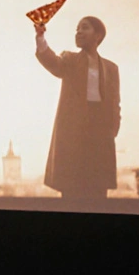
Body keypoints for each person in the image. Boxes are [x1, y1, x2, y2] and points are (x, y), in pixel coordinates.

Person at [34, 16, 120, 200]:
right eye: (77, 29)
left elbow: (115, 102)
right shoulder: (70, 59)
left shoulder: (111, 68)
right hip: (74, 129)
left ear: (98, 35)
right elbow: (53, 64)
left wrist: (113, 128)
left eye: (85, 28)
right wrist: (40, 38)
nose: (79, 32)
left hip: (100, 132)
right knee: (72, 186)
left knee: (98, 188)